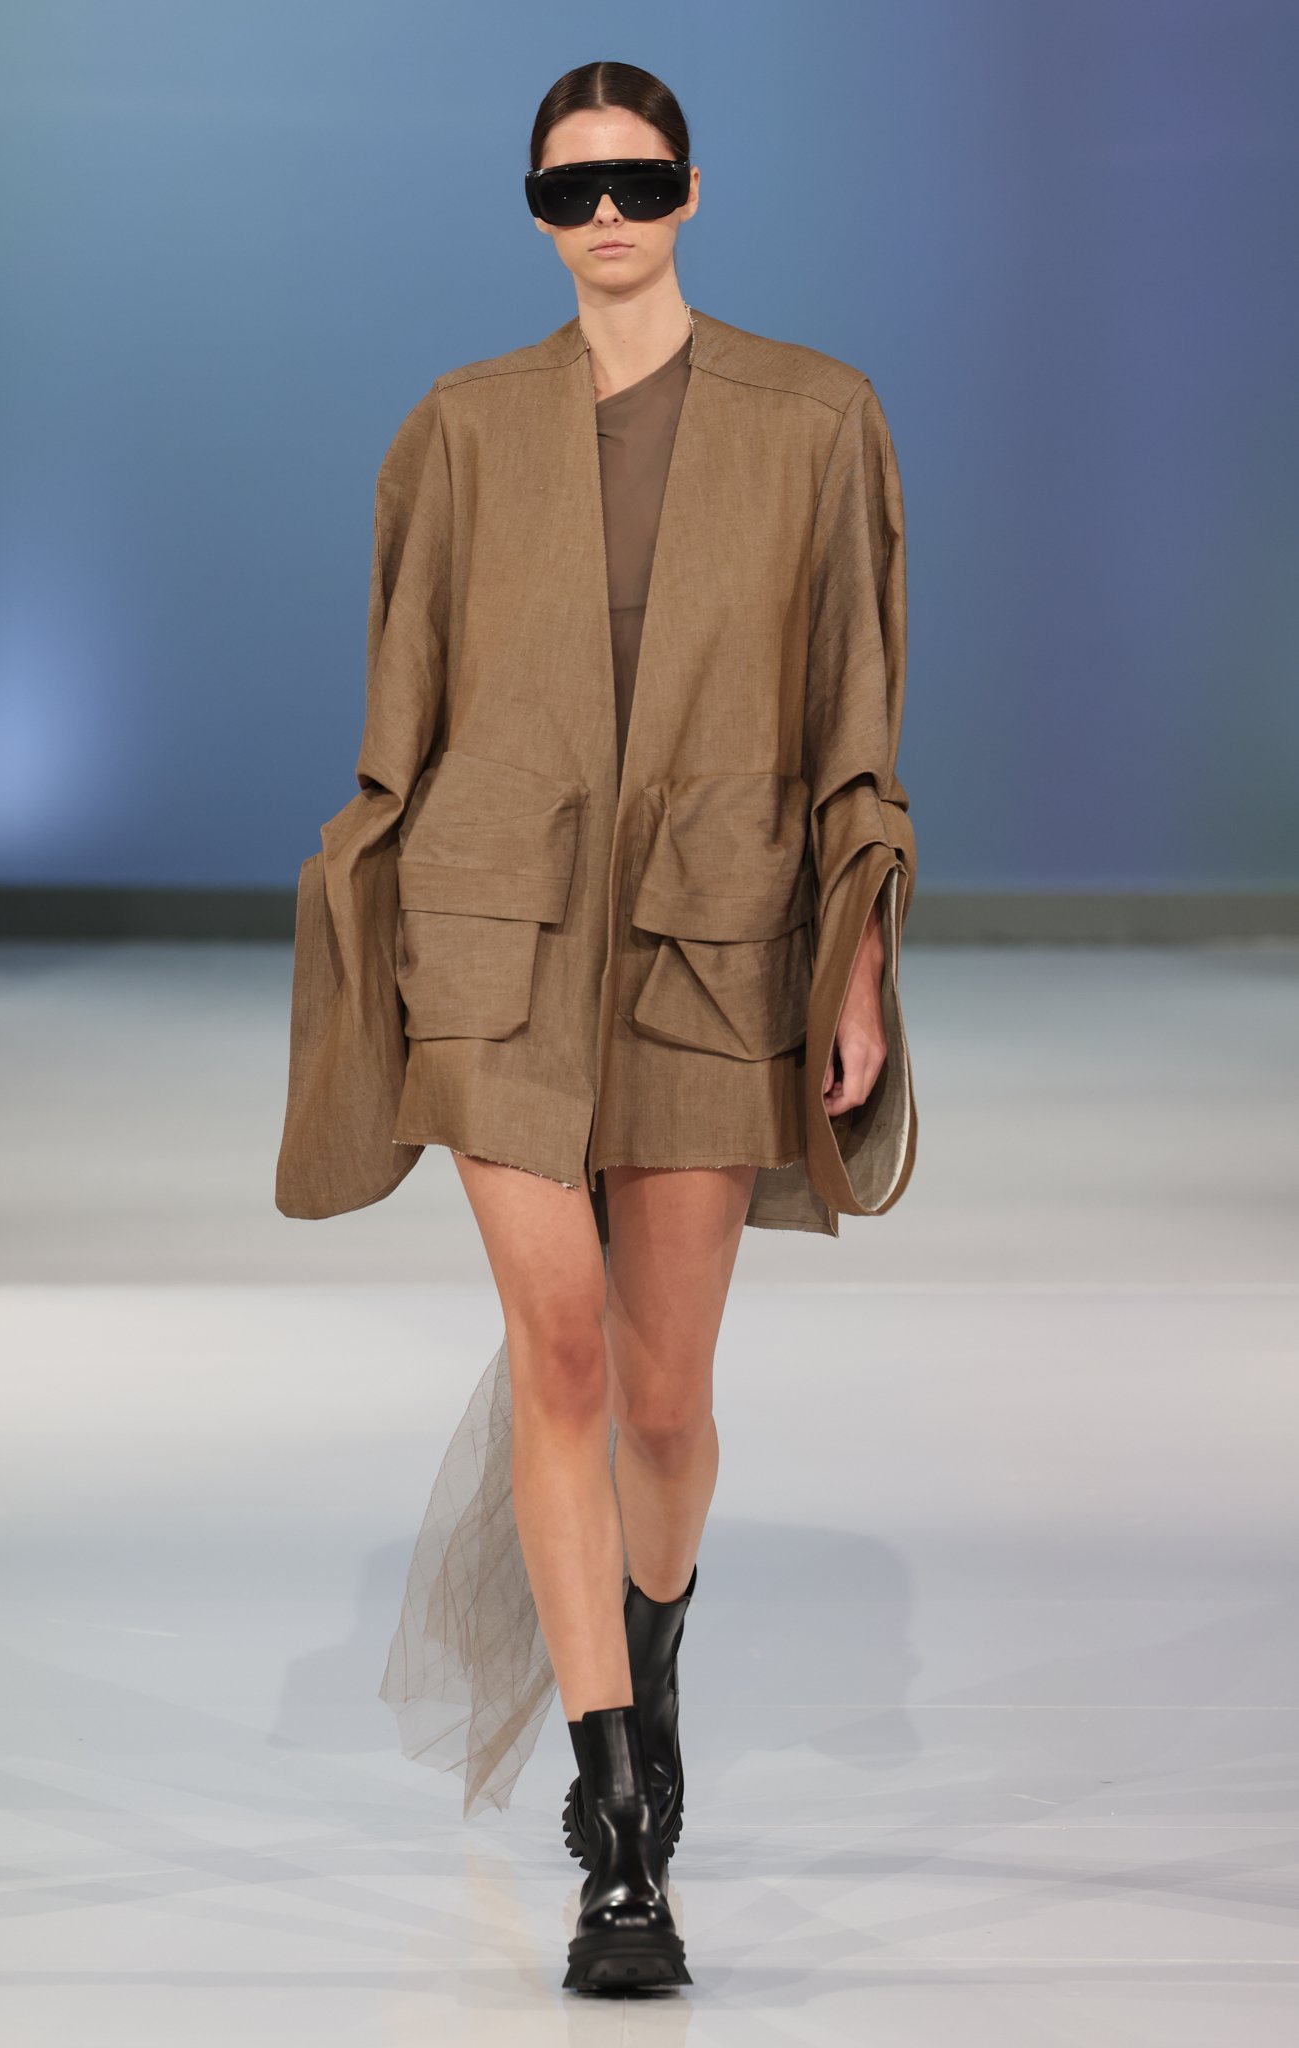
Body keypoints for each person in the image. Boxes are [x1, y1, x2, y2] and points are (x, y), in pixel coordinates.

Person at [274, 59, 919, 1996]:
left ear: (691, 191)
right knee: (556, 1349)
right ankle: (617, 1820)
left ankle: (651, 1649)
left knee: (657, 1395)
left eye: (635, 181)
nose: (607, 217)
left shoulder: (815, 419)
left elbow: (853, 713)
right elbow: (399, 717)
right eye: (569, 191)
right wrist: (380, 940)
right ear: (535, 212)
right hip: (494, 935)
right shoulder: (460, 428)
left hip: (711, 938)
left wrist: (855, 958)